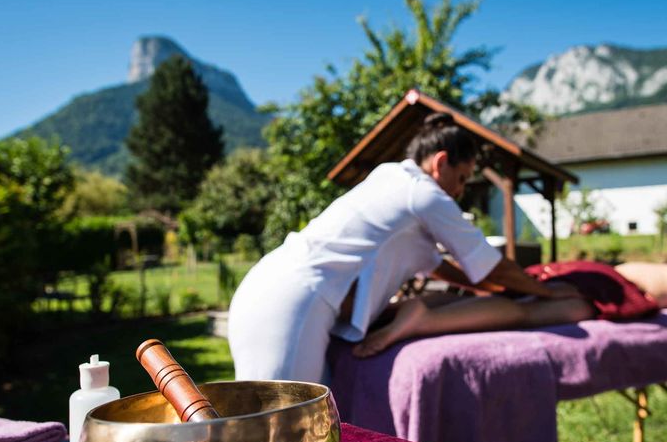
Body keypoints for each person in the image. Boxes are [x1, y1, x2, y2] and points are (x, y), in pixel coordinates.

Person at [228, 112, 577, 383]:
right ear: (441, 163)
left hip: (268, 288)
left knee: (290, 439)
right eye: (461, 178)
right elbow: (490, 267)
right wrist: (543, 292)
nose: (459, 191)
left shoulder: (391, 181)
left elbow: (451, 270)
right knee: (282, 437)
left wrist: (508, 293)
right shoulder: (424, 194)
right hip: (295, 305)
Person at [352, 260, 667, 358]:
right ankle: (426, 318)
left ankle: (407, 310)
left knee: (519, 298)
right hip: (603, 286)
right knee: (528, 314)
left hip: (572, 272)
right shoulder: (649, 275)